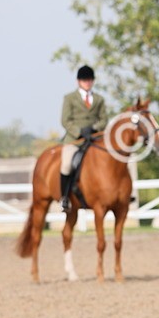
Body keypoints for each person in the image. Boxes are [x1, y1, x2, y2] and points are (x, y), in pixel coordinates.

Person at [59, 65, 106, 210]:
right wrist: (79, 132)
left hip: (94, 139)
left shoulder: (99, 99)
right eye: (84, 80)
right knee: (66, 164)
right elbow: (65, 120)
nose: (87, 82)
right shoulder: (69, 98)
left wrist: (94, 129)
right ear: (78, 81)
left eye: (90, 80)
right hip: (75, 140)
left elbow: (104, 119)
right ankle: (65, 197)